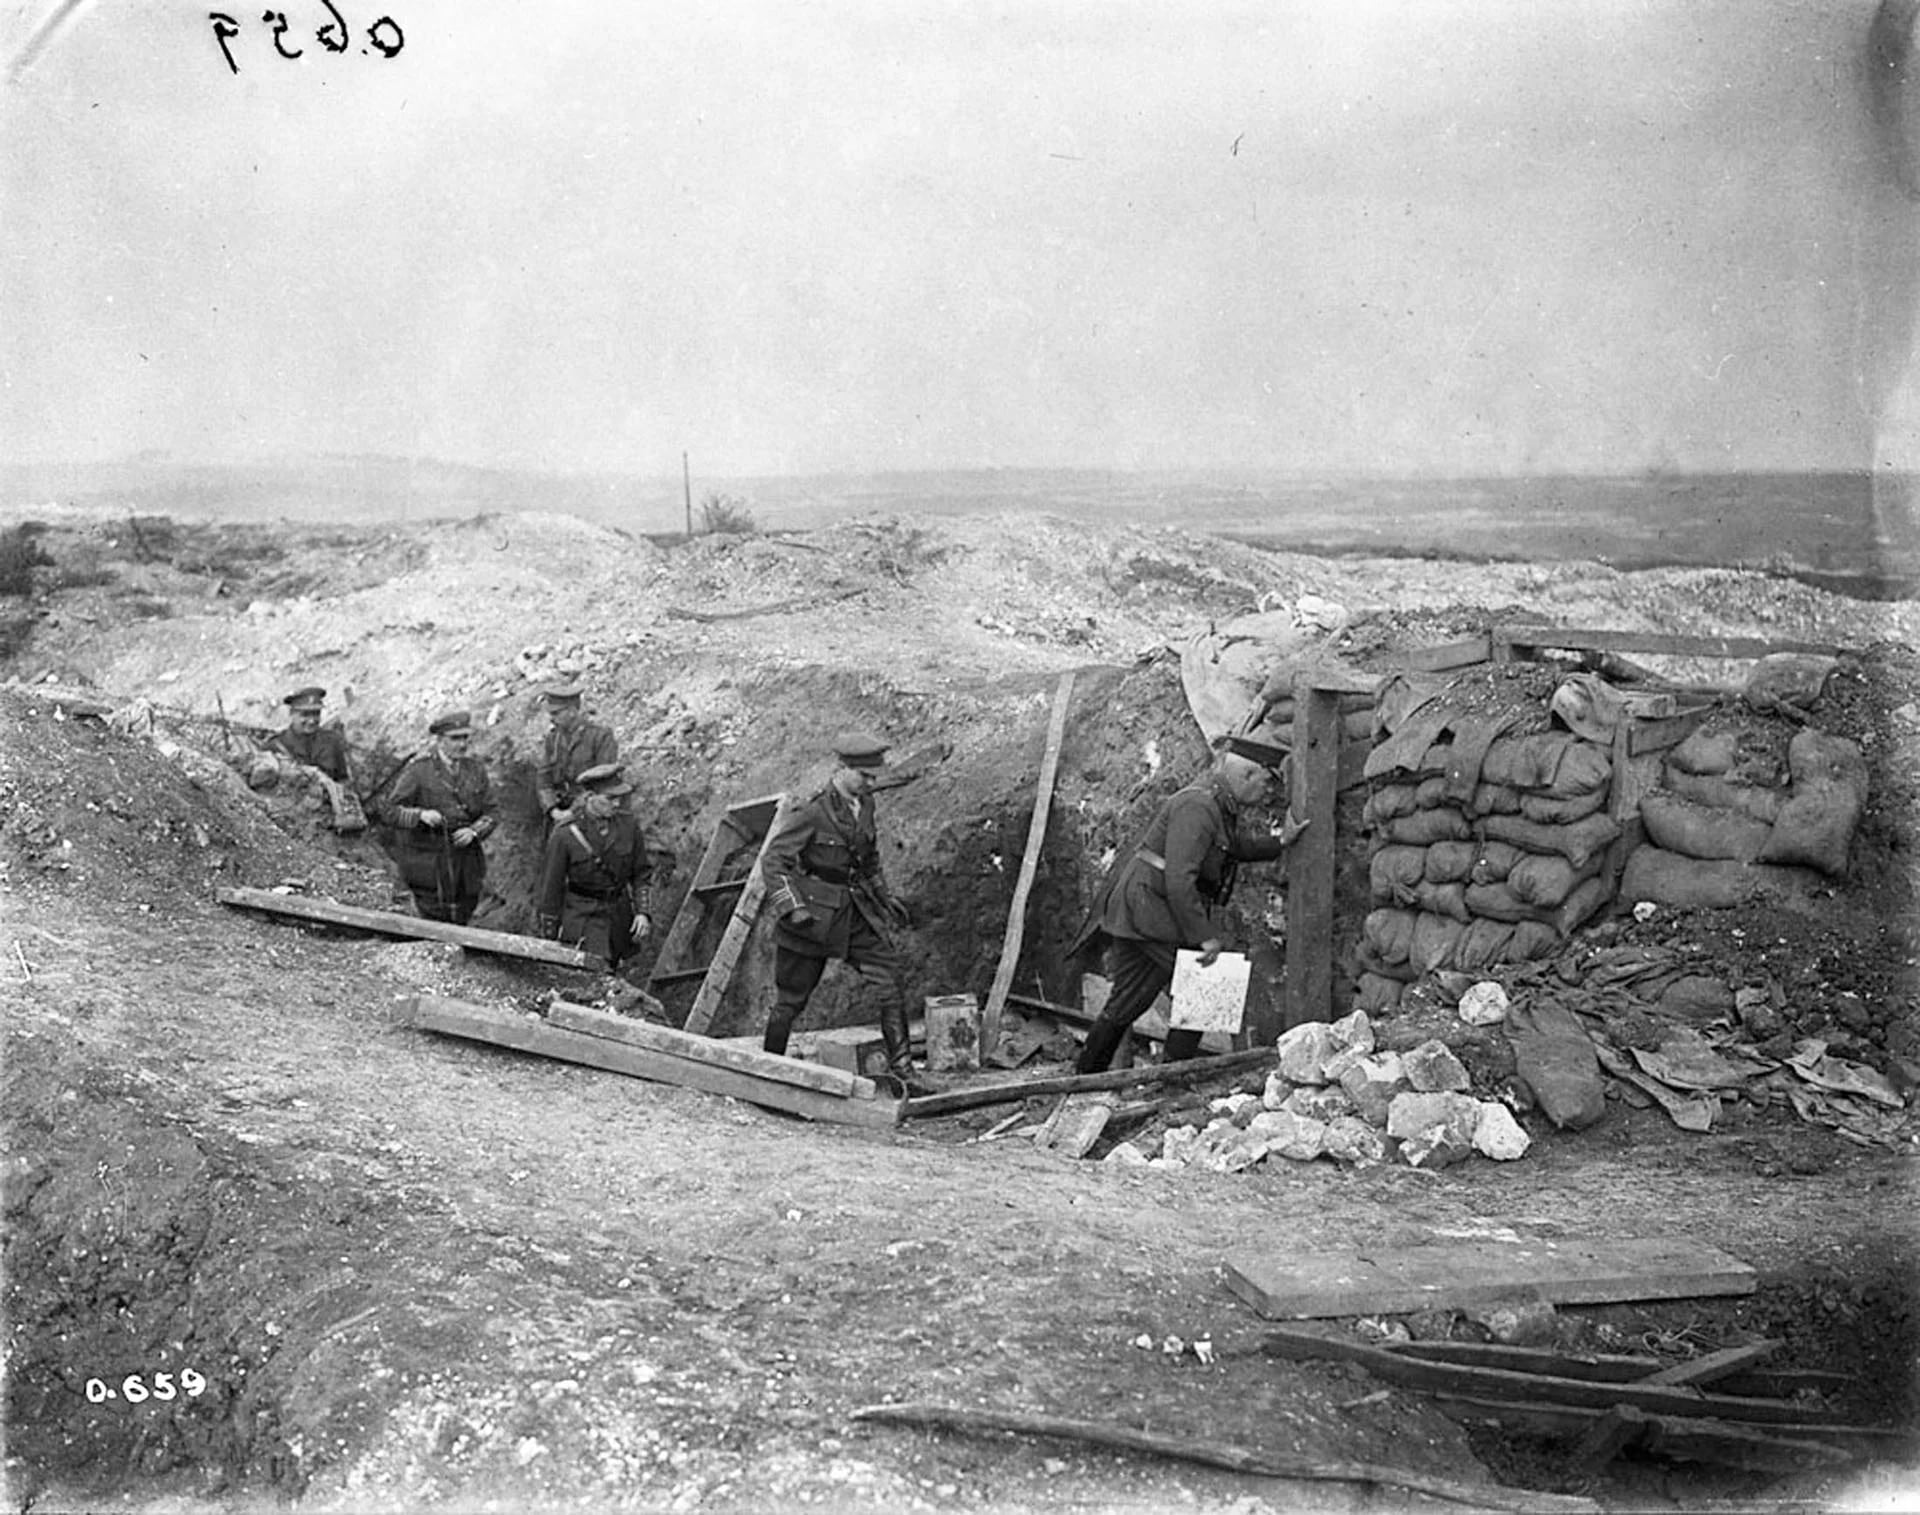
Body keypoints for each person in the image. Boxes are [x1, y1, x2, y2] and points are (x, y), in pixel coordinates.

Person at [1070, 736, 1308, 1074]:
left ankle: (1087, 1074)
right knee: (1209, 982)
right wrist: (1204, 936)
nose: (1268, 794)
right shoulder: (1199, 805)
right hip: (1150, 911)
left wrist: (1279, 842)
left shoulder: (1216, 804)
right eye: (1266, 784)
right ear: (1247, 775)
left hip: (1145, 910)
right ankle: (1172, 1074)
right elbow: (1179, 879)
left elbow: (1231, 846)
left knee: (1129, 999)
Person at [759, 732, 925, 1093]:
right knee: (790, 1000)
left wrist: (885, 896)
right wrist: (792, 907)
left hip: (855, 914)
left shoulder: (865, 805)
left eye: (872, 778)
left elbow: (869, 858)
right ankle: (768, 1072)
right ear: (842, 769)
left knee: (889, 980)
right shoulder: (812, 812)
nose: (870, 783)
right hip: (812, 920)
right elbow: (774, 861)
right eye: (864, 776)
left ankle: (903, 1072)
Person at [382, 710, 498, 924]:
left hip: (466, 861)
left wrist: (474, 831)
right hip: (429, 860)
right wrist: (420, 815)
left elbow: (492, 812)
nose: (462, 744)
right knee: (433, 913)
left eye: (465, 738)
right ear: (440, 740)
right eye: (455, 739)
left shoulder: (476, 770)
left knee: (466, 908)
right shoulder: (419, 771)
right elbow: (389, 811)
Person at [535, 762, 653, 972]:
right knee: (592, 976)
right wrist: (550, 939)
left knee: (613, 976)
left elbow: (641, 872)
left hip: (618, 917)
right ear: (589, 796)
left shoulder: (628, 826)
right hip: (583, 918)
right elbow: (550, 889)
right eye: (610, 799)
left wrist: (643, 912)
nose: (617, 804)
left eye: (619, 798)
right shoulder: (565, 834)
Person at [535, 683, 619, 829]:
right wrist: (553, 810)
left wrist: (574, 811)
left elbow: (604, 784)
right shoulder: (553, 739)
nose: (551, 719)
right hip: (560, 811)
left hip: (591, 812)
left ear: (572, 711)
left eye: (556, 713)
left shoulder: (600, 736)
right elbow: (543, 780)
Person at [266, 686, 354, 783]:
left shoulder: (332, 742)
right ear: (291, 714)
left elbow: (343, 779)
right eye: (305, 715)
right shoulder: (274, 747)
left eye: (316, 714)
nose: (311, 721)